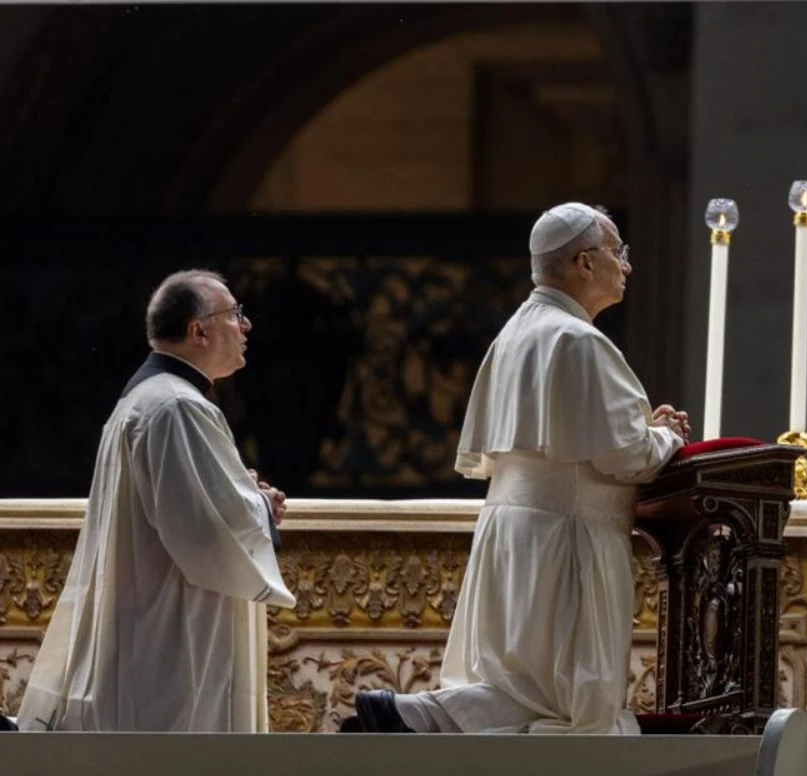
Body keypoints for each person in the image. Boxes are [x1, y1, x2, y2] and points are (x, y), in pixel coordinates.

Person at [345, 204, 688, 734]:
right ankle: (419, 716)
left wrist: (646, 430)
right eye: (617, 252)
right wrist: (667, 436)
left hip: (514, 531)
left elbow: (590, 431)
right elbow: (625, 456)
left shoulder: (516, 332)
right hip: (568, 540)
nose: (627, 265)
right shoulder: (577, 340)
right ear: (583, 262)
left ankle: (414, 716)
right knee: (572, 699)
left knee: (524, 689)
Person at [12, 270, 293, 732]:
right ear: (198, 330)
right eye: (234, 314)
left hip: (152, 622)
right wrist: (260, 505)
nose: (246, 326)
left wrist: (240, 491)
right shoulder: (177, 407)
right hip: (171, 639)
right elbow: (204, 533)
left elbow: (185, 501)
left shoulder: (149, 400)